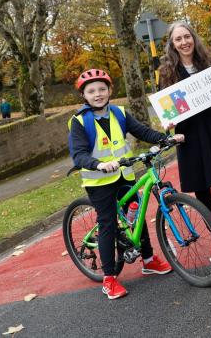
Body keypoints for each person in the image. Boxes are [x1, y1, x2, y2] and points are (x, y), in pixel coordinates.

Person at [67, 68, 182, 299]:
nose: (98, 94)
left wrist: (165, 138)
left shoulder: (119, 113)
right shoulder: (79, 121)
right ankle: (109, 279)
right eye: (92, 91)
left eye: (102, 89)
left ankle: (148, 260)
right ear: (84, 96)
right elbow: (78, 154)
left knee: (138, 215)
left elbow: (141, 131)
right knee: (108, 223)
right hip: (99, 182)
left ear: (110, 90)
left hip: (124, 176)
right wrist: (98, 164)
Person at [157, 22, 211, 255]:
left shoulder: (210, 64)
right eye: (178, 39)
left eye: (187, 37)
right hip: (190, 135)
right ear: (172, 45)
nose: (184, 42)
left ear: (194, 38)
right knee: (202, 190)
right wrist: (169, 121)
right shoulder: (167, 72)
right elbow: (168, 108)